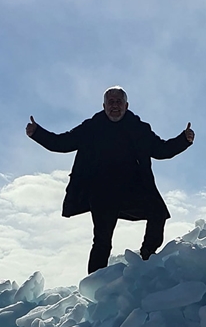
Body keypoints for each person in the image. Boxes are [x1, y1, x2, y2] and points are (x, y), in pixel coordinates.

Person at [26, 87, 195, 274]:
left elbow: (162, 150)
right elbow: (62, 143)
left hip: (133, 189)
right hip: (101, 192)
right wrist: (37, 133)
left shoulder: (139, 129)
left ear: (126, 105)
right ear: (104, 106)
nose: (115, 106)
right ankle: (94, 283)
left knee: (158, 212)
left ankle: (147, 255)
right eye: (111, 102)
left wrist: (183, 140)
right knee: (102, 240)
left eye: (118, 101)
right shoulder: (91, 127)